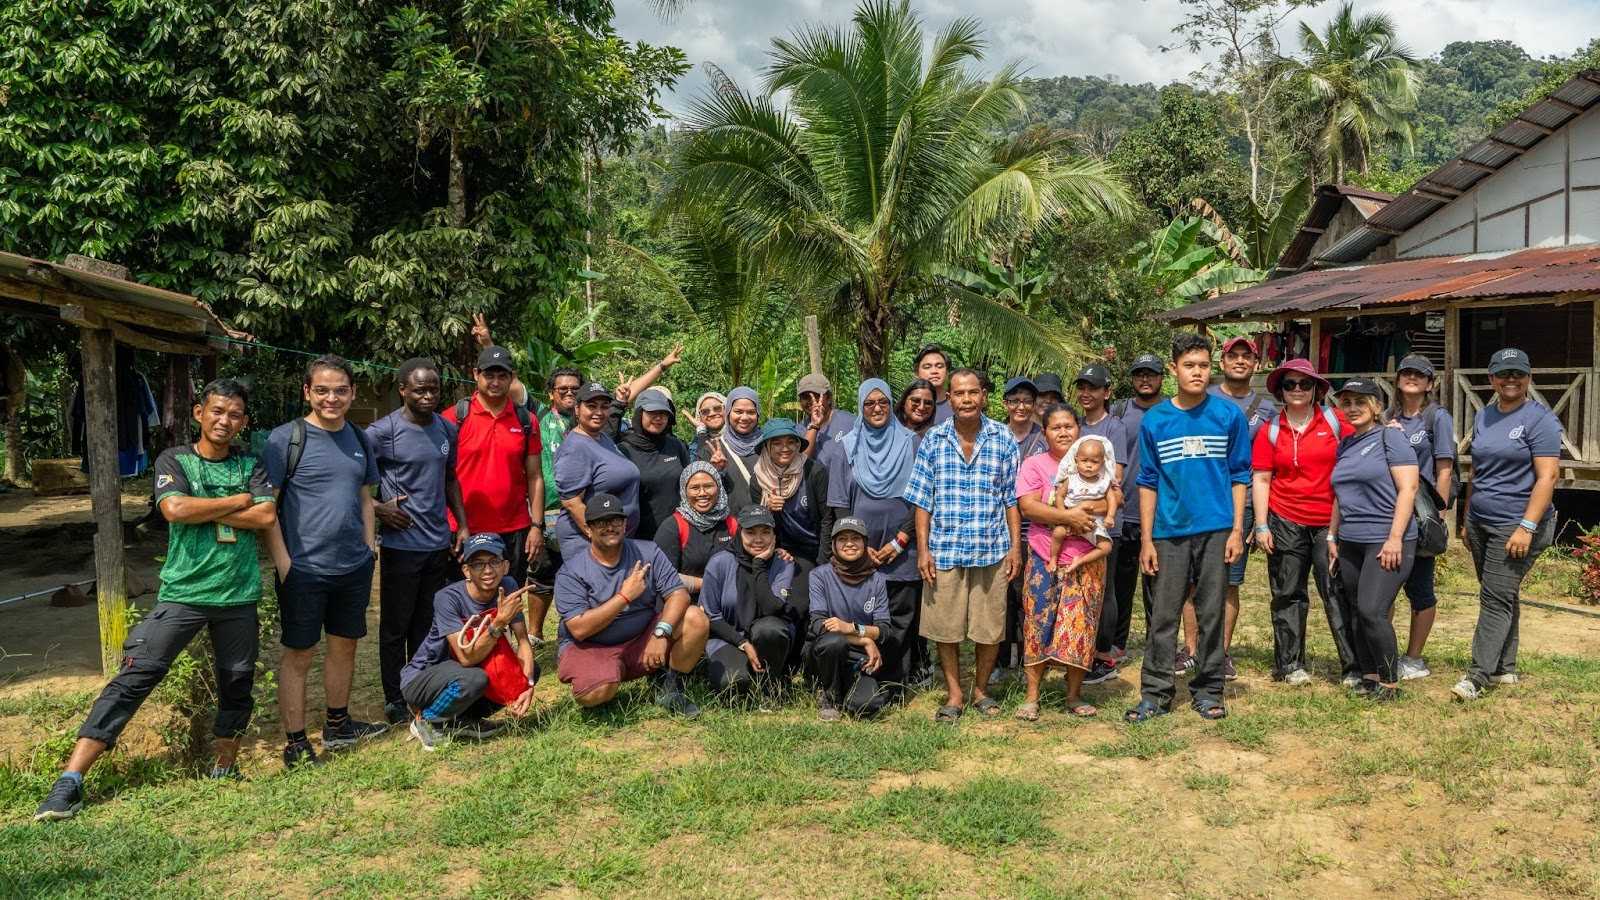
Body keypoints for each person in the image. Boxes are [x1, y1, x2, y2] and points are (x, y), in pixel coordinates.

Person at [35, 380, 277, 821]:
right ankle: (68, 782)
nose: (225, 421)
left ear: (244, 421)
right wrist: (236, 500)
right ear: (200, 412)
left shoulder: (251, 461)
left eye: (236, 414)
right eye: (218, 411)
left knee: (237, 683)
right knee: (136, 674)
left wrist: (208, 504)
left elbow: (265, 515)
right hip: (184, 594)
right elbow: (173, 511)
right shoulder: (174, 459)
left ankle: (224, 767)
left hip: (238, 596)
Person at [264, 355, 387, 767]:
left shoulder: (359, 438)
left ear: (352, 393)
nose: (331, 398)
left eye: (339, 390)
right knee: (300, 653)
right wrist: (284, 563)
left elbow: (365, 497)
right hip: (304, 568)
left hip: (352, 565)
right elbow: (269, 508)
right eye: (322, 390)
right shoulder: (286, 440)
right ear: (307, 392)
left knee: (345, 645)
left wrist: (369, 547)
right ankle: (296, 742)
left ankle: (338, 725)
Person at [1126, 334, 1250, 724]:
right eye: (1190, 365)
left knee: (1212, 612)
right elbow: (1147, 481)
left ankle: (1209, 690)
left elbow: (1240, 475)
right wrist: (1147, 539)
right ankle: (1156, 694)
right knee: (1164, 616)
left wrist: (1235, 531)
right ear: (1174, 369)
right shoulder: (1156, 420)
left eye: (1203, 365)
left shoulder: (1228, 416)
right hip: (1169, 532)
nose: (1197, 372)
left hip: (1216, 530)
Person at [904, 368, 1022, 722]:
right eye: (959, 393)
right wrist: (923, 550)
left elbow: (1011, 500)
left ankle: (982, 689)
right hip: (946, 549)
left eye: (973, 392)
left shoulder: (1003, 439)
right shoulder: (934, 440)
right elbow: (923, 501)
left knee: (990, 627)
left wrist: (1015, 547)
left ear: (984, 396)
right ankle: (955, 694)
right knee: (946, 627)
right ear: (949, 398)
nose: (967, 399)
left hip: (991, 547)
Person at [1453, 348, 1561, 702]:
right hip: (1481, 520)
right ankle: (1505, 667)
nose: (1510, 380)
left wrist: (1526, 527)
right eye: (1503, 374)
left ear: (1529, 378)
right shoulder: (1484, 416)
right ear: (1492, 380)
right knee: (1501, 594)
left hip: (1515, 524)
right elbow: (1477, 471)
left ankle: (1477, 676)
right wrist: (1468, 519)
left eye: (1518, 374)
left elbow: (1548, 477)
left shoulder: (1539, 420)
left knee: (1493, 596)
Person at [367, 358, 471, 725]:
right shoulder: (381, 432)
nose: (427, 396)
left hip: (438, 543)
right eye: (419, 389)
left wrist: (461, 525)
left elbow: (450, 479)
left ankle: (419, 686)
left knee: (428, 625)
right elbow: (355, 484)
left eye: (433, 389)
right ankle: (394, 697)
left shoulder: (445, 429)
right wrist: (380, 509)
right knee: (395, 625)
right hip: (400, 546)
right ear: (402, 390)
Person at [1251, 358, 1358, 687]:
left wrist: (1389, 430)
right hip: (1285, 518)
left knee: (1336, 592)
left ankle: (1353, 666)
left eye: (1304, 384)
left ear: (1316, 390)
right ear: (1280, 390)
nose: (1297, 390)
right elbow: (1262, 479)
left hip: (1330, 522)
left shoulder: (1335, 420)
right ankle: (1289, 664)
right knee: (1287, 593)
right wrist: (1261, 525)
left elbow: (1364, 444)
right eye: (1290, 384)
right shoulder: (1270, 429)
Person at [553, 493, 709, 716]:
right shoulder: (571, 571)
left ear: (625, 524)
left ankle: (669, 686)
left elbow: (679, 594)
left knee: (696, 619)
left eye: (616, 520)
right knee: (595, 693)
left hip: (642, 636)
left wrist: (661, 633)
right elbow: (579, 629)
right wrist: (624, 597)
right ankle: (605, 678)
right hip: (593, 645)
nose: (610, 527)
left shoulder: (648, 551)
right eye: (602, 522)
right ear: (588, 529)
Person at [1014, 407, 1114, 720]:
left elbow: (1115, 498)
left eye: (1069, 426)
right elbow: (1028, 507)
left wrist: (1088, 509)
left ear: (1078, 429)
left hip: (1086, 559)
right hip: (1046, 557)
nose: (1063, 432)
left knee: (1080, 626)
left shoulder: (1095, 460)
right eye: (1055, 427)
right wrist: (1068, 516)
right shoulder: (1034, 465)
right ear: (1044, 432)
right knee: (1037, 624)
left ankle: (1073, 695)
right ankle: (1032, 697)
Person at [824, 378, 926, 685]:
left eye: (883, 402)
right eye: (870, 403)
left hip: (903, 546)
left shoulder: (910, 442)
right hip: (859, 548)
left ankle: (896, 682)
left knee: (901, 614)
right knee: (866, 614)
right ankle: (866, 678)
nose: (877, 408)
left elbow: (922, 497)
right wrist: (857, 544)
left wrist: (900, 541)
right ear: (860, 407)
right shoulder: (846, 446)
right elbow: (840, 503)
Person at [1188, 335, 1277, 680]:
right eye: (1233, 356)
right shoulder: (1202, 398)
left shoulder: (1268, 408)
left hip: (1240, 502)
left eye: (1247, 356)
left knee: (1229, 582)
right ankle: (1192, 650)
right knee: (1191, 581)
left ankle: (1221, 653)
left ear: (1255, 365)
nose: (1240, 361)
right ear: (1221, 363)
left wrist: (1260, 518)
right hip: (1200, 499)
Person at [398, 534, 539, 751]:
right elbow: (466, 658)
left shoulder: (508, 586)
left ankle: (461, 720)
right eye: (478, 564)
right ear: (466, 571)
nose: (488, 570)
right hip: (424, 678)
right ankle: (426, 719)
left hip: (469, 669)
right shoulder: (448, 598)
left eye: (494, 562)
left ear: (506, 566)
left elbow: (522, 640)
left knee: (529, 670)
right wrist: (499, 622)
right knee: (474, 678)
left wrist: (527, 684)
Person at [1329, 378, 1418, 701]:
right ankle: (1369, 675)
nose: (1352, 408)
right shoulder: (1346, 444)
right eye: (1347, 402)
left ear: (1376, 406)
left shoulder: (1390, 438)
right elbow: (1339, 493)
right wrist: (1331, 535)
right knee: (1355, 609)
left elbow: (1408, 489)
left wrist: (1395, 538)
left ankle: (1390, 682)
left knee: (1372, 609)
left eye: (1360, 401)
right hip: (1350, 538)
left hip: (1387, 539)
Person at [442, 344, 545, 588]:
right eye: (489, 375)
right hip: (464, 529)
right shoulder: (454, 417)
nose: (495, 382)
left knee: (508, 600)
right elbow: (440, 475)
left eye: (502, 376)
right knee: (463, 602)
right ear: (476, 374)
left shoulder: (526, 421)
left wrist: (536, 526)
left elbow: (535, 477)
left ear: (511, 378)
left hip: (513, 530)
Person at [1386, 354, 1456, 680]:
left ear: (1430, 383)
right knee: (1384, 588)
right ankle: (1383, 652)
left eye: (1420, 375)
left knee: (1420, 589)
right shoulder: (1387, 416)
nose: (1412, 378)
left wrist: (1438, 516)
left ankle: (1413, 658)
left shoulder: (1436, 417)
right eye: (1406, 372)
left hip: (1421, 515)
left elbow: (1444, 469)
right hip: (1389, 513)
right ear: (1398, 379)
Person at [1097, 353, 1165, 678]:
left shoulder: (1172, 411)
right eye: (1140, 374)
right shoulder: (1120, 412)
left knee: (1158, 586)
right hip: (1124, 512)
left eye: (1151, 374)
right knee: (1120, 587)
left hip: (1161, 513)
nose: (1145, 380)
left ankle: (1158, 645)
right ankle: (1117, 643)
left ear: (1162, 377)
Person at [698, 506, 802, 695]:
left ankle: (770, 685)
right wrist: (742, 643)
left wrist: (759, 565)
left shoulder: (783, 562)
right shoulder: (719, 562)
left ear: (774, 535)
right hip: (727, 638)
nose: (758, 539)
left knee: (771, 629)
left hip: (766, 637)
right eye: (751, 532)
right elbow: (710, 616)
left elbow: (772, 608)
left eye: (765, 532)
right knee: (734, 684)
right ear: (739, 533)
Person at [807, 517, 898, 720]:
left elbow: (884, 630)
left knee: (868, 706)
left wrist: (852, 627)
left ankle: (848, 689)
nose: (849, 543)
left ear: (865, 544)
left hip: (859, 658)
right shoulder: (819, 576)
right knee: (834, 641)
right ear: (834, 545)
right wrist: (864, 638)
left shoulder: (877, 580)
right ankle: (828, 697)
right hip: (826, 653)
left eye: (855, 538)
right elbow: (817, 625)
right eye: (843, 539)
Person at [552, 381, 642, 560]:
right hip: (589, 544)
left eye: (604, 406)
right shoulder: (575, 447)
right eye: (591, 406)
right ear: (577, 409)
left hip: (612, 541)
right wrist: (599, 540)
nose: (599, 412)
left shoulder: (602, 438)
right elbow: (572, 502)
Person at [530, 366, 584, 605]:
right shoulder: (539, 416)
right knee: (540, 575)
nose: (569, 392)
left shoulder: (592, 421)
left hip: (580, 513)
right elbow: (513, 387)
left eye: (575, 388)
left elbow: (622, 401)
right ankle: (535, 635)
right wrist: (488, 343)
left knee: (579, 574)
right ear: (551, 393)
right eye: (563, 389)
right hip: (546, 512)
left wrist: (661, 366)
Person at [749, 417, 834, 566]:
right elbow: (759, 525)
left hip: (817, 548)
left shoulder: (813, 471)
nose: (785, 448)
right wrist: (766, 510)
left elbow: (827, 519)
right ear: (766, 447)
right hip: (784, 550)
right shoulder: (759, 479)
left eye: (790, 442)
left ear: (798, 444)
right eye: (777, 443)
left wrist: (823, 562)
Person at [654, 461, 738, 595]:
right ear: (684, 491)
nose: (702, 493)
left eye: (708, 486)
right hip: (686, 604)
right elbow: (662, 576)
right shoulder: (673, 527)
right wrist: (708, 584)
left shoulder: (731, 523)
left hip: (727, 602)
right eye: (695, 488)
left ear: (719, 488)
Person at [617, 388, 691, 542]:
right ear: (639, 414)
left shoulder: (676, 445)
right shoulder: (624, 449)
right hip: (640, 536)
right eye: (652, 413)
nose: (658, 418)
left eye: (663, 414)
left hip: (678, 532)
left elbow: (689, 483)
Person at [1045, 436, 1118, 572]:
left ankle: (1080, 560)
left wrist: (1110, 516)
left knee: (1106, 547)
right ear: (1076, 459)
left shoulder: (1104, 482)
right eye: (1084, 461)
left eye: (1094, 462)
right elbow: (1059, 496)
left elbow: (1112, 500)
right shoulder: (1071, 479)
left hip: (1093, 524)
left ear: (1102, 462)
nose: (1089, 465)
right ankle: (1053, 558)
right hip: (1070, 519)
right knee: (1058, 533)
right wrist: (1063, 513)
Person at [709, 385, 762, 509]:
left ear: (758, 414)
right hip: (730, 524)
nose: (744, 417)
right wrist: (716, 471)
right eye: (738, 412)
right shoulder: (712, 449)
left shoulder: (769, 445)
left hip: (766, 524)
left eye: (751, 412)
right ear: (727, 412)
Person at [798, 373, 856, 458]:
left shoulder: (850, 424)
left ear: (828, 398)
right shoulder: (799, 431)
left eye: (816, 396)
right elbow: (799, 463)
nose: (811, 401)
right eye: (805, 397)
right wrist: (814, 425)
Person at [1002, 376, 1046, 460]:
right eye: (1015, 401)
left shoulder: (1044, 437)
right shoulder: (996, 436)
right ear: (1005, 404)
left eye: (1028, 401)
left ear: (1034, 405)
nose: (1021, 407)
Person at [913, 344, 955, 424]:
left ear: (947, 372)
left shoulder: (957, 404)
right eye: (927, 367)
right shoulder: (908, 407)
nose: (934, 371)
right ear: (917, 372)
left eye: (939, 366)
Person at [688, 391, 727, 461]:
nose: (712, 414)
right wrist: (701, 432)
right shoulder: (696, 443)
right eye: (705, 411)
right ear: (699, 416)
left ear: (726, 409)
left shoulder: (739, 436)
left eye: (717, 408)